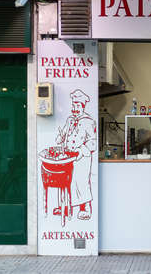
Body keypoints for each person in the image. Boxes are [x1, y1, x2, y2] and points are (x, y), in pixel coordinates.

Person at [56, 89, 97, 220]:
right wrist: (60, 137)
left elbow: (93, 142)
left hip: (82, 157)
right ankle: (65, 206)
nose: (75, 108)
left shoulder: (89, 121)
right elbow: (63, 134)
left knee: (81, 182)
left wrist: (81, 150)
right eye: (73, 105)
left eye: (78, 105)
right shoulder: (69, 120)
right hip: (68, 157)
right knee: (67, 182)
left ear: (83, 106)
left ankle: (85, 209)